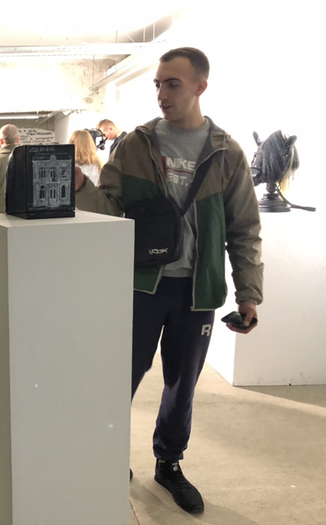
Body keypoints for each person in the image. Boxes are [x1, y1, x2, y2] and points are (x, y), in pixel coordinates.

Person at [76, 47, 263, 515]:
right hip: (141, 285)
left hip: (197, 290)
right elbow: (111, 210)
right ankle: (108, 454)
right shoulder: (136, 145)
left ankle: (169, 462)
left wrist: (249, 293)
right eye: (157, 84)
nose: (161, 93)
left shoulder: (226, 152)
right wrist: (80, 190)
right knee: (120, 376)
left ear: (201, 86)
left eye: (172, 84)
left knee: (182, 383)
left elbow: (244, 227)